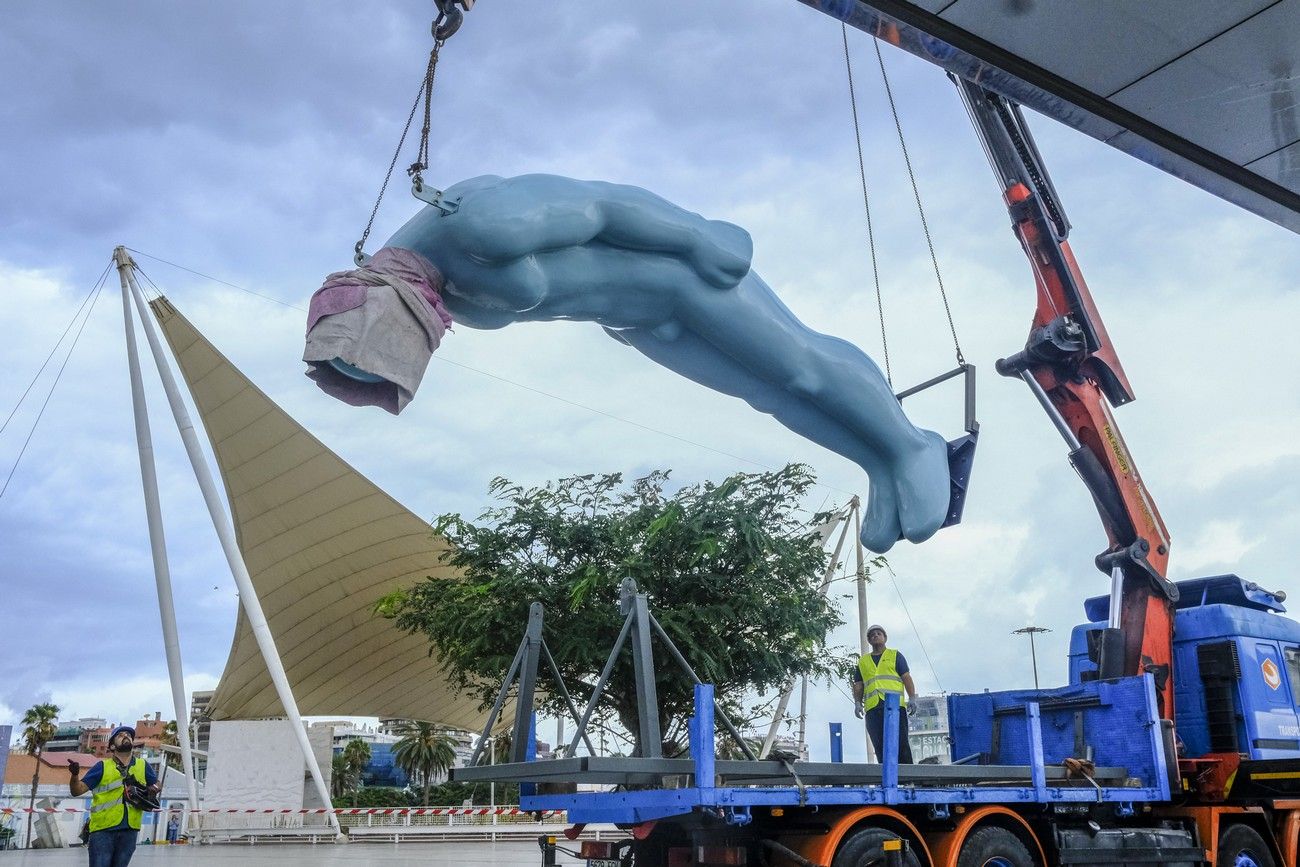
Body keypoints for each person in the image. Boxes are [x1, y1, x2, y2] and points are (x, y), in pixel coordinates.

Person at [305, 174, 953, 554]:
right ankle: (876, 463)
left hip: (687, 282)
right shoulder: (438, 285)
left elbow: (601, 207)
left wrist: (699, 237)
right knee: (771, 396)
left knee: (799, 366)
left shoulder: (480, 223)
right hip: (641, 321)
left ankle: (908, 445)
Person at [68, 725, 159, 867]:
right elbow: (77, 790)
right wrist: (74, 775)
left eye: (129, 735)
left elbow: (156, 784)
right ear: (112, 746)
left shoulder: (143, 765)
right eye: (120, 735)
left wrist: (152, 790)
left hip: (130, 830)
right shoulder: (102, 767)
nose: (126, 736)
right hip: (103, 831)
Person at [852, 624, 918, 764]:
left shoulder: (895, 655)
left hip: (894, 707)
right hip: (873, 708)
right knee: (879, 743)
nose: (875, 635)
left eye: (878, 633)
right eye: (872, 634)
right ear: (869, 640)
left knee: (900, 742)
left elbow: (906, 677)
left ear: (885, 638)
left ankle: (907, 777)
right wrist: (857, 703)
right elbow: (858, 684)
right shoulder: (863, 661)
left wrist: (912, 698)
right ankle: (885, 776)